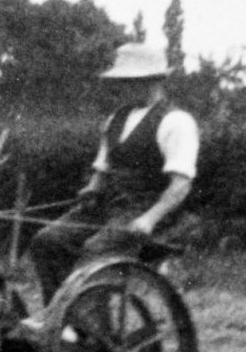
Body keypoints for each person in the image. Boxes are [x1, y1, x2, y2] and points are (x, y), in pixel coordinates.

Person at [29, 40, 199, 305]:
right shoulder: (115, 119)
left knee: (95, 251)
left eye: (129, 80)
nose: (122, 87)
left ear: (152, 80)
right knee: (47, 240)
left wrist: (149, 219)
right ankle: (58, 318)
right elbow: (103, 165)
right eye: (122, 81)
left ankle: (86, 327)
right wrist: (93, 187)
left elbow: (181, 185)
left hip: (146, 211)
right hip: (107, 206)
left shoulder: (176, 122)